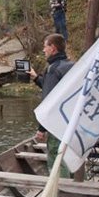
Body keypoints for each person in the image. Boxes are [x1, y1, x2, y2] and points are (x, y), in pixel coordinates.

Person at [28, 33, 74, 177]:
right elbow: (58, 91)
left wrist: (41, 128)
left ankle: (61, 193)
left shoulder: (53, 69)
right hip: (72, 121)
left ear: (53, 48)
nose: (43, 50)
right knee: (71, 156)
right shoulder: (71, 66)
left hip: (57, 124)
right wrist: (36, 78)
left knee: (56, 156)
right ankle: (77, 188)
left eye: (45, 47)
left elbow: (49, 100)